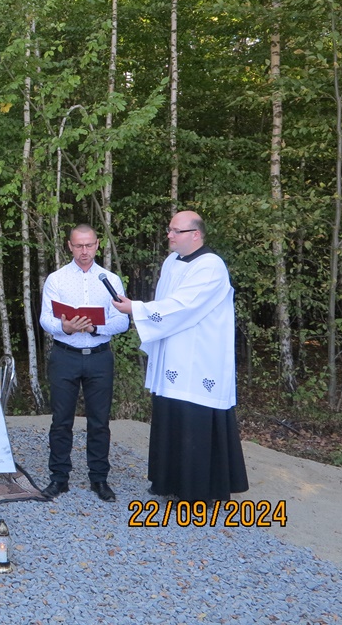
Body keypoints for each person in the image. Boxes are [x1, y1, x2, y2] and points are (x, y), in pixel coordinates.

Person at [114, 211, 249, 501]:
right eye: (169, 229)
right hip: (171, 354)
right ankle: (168, 482)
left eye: (176, 231)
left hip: (199, 358)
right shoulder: (172, 261)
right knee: (170, 416)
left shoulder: (211, 266)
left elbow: (183, 306)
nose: (169, 235)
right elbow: (167, 304)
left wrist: (136, 308)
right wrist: (142, 309)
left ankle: (197, 492)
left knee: (193, 421)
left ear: (195, 235)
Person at [39, 224, 129, 502]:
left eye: (89, 245)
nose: (84, 251)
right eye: (78, 245)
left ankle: (99, 479)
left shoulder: (110, 279)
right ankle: (59, 478)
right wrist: (64, 327)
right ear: (69, 246)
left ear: (98, 244)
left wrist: (94, 328)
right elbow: (45, 318)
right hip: (65, 355)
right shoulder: (57, 279)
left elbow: (123, 321)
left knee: (99, 421)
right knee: (61, 420)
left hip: (99, 356)